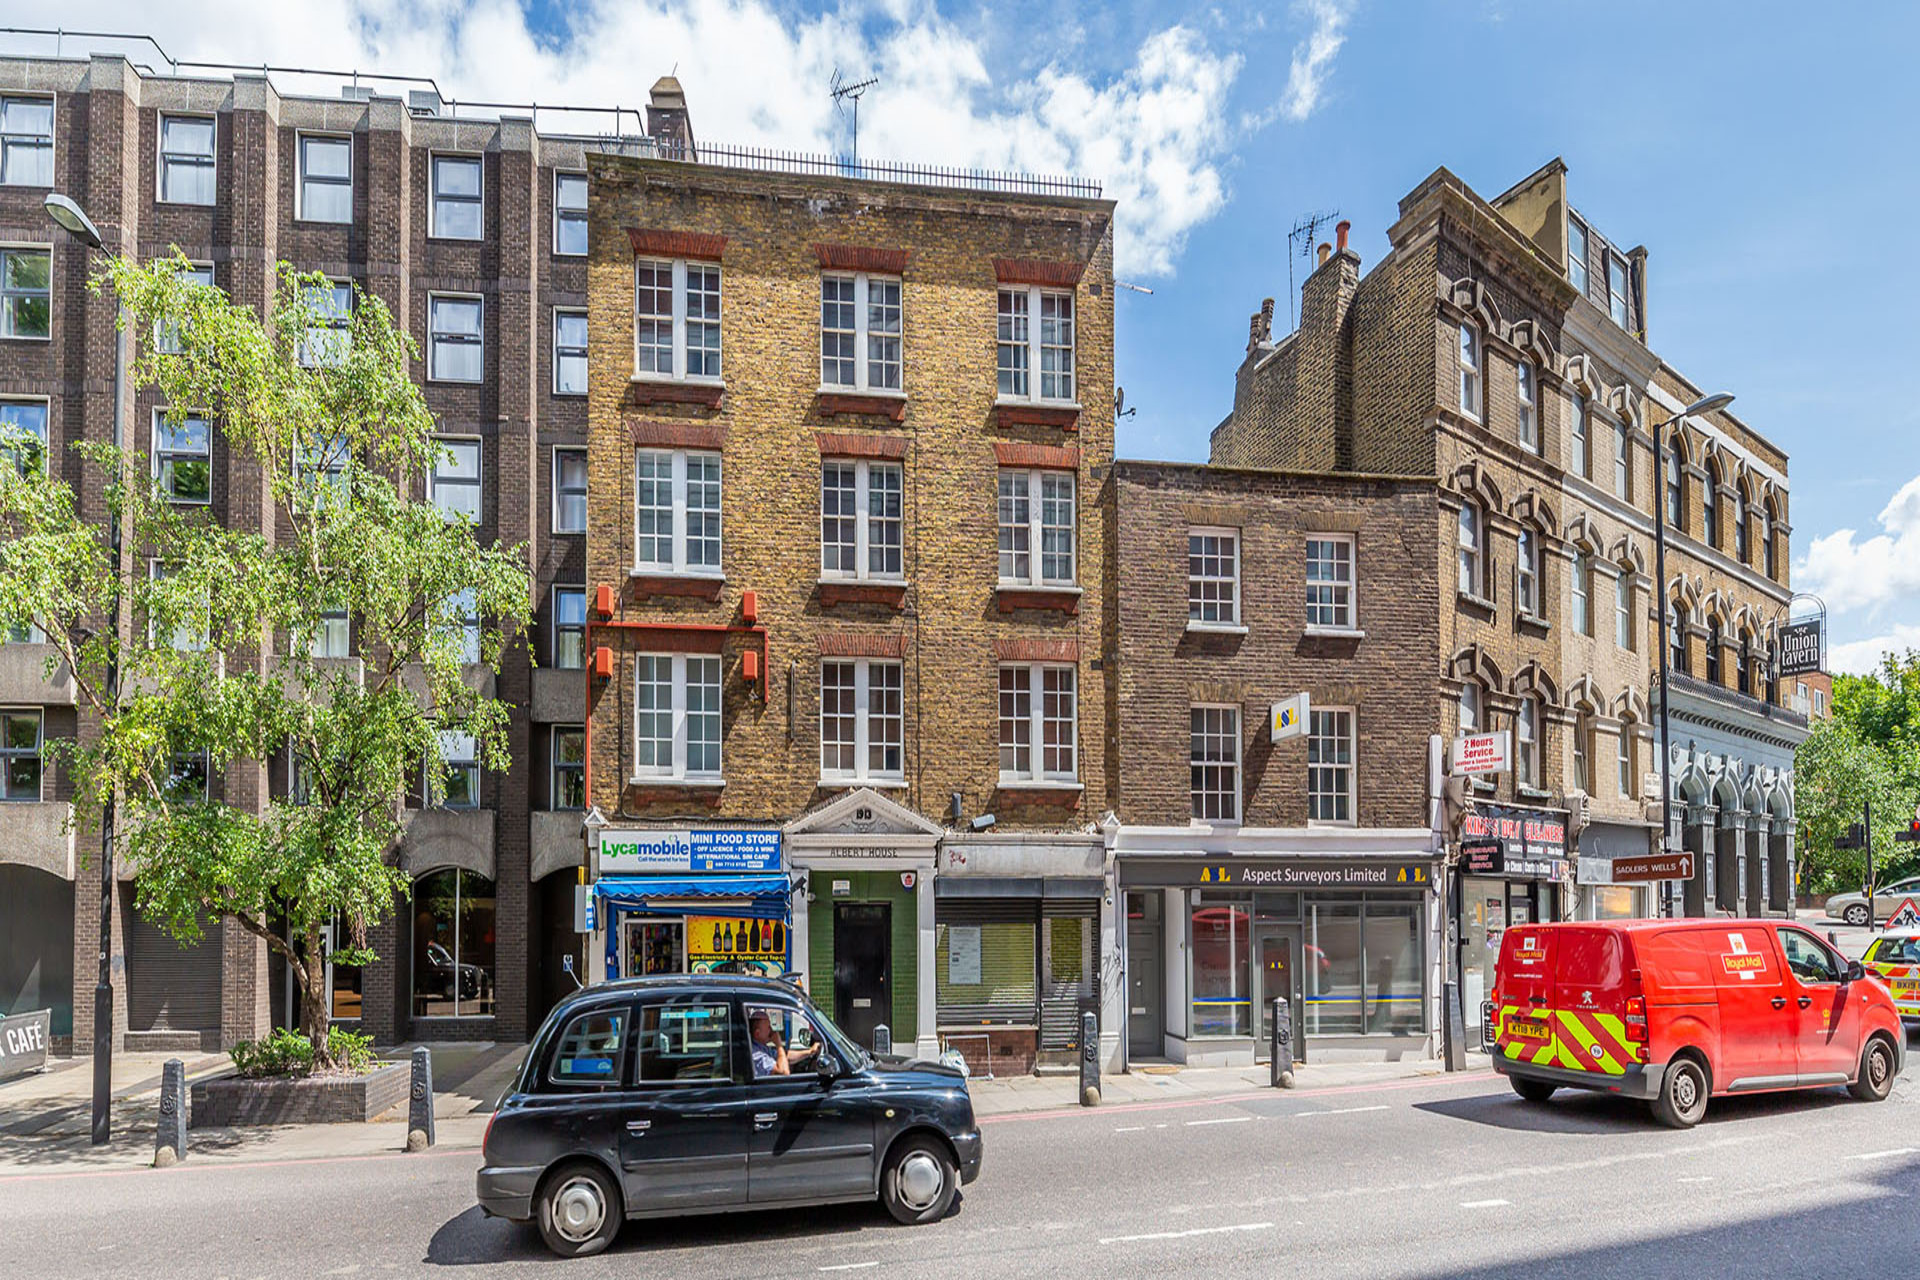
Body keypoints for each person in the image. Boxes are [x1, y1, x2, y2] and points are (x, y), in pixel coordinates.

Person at [749, 1009, 820, 1077]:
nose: (772, 1030)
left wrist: (810, 1052)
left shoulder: (763, 1048)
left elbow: (785, 1057)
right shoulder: (755, 1054)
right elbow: (783, 1072)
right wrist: (778, 1044)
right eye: (768, 1027)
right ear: (757, 1033)